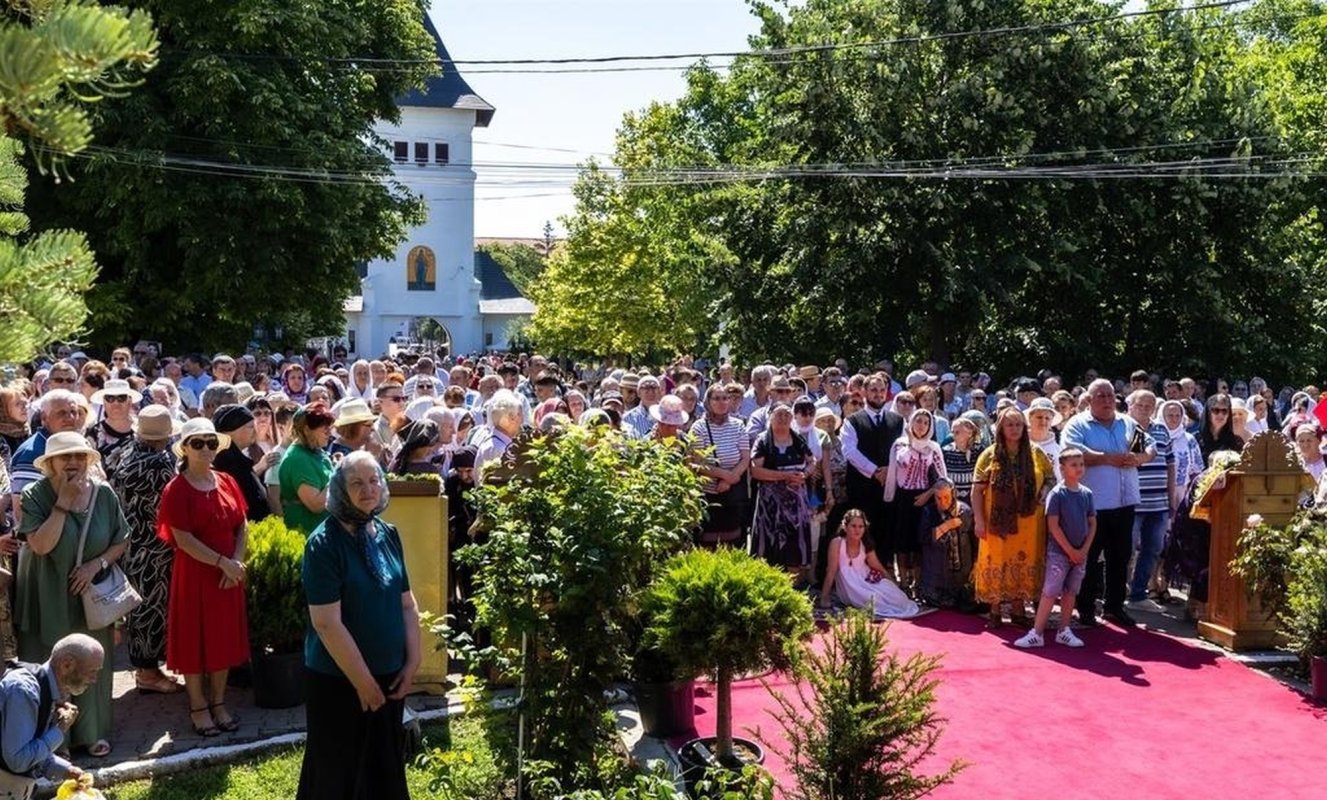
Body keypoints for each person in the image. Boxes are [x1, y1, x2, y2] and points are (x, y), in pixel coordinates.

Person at [297, 452, 420, 800]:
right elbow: (326, 624)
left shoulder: (387, 533)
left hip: (390, 676)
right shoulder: (324, 543)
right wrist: (363, 682)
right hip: (340, 680)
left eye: (374, 480)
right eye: (356, 483)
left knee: (384, 768)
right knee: (338, 771)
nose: (368, 489)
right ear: (339, 489)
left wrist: (413, 663)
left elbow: (407, 604)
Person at [16, 432, 128, 757]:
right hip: (46, 594)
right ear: (50, 463)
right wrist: (62, 503)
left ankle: (92, 732)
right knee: (49, 664)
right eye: (66, 457)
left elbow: (120, 540)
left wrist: (95, 565)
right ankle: (55, 740)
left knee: (93, 663)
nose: (74, 463)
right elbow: (40, 545)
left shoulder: (103, 494)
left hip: (90, 595)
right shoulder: (35, 494)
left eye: (80, 456)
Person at [156, 418, 250, 737]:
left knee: (223, 638)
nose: (206, 449)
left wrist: (235, 563)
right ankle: (198, 705)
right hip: (195, 575)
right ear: (184, 448)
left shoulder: (226, 480)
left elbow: (242, 524)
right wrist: (223, 562)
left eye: (211, 442)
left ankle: (219, 702)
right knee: (194, 641)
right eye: (198, 443)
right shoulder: (176, 489)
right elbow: (182, 538)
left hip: (227, 575)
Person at [1061, 379, 1147, 629]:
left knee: (1120, 557)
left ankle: (1114, 607)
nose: (1108, 401)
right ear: (1089, 399)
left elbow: (1148, 447)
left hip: (1125, 502)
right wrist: (1109, 458)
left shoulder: (1127, 422)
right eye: (1101, 396)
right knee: (1088, 559)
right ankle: (1085, 608)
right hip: (1094, 505)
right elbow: (1073, 453)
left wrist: (1140, 457)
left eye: (1111, 396)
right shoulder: (1077, 424)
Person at [109, 406, 182, 695]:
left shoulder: (123, 453)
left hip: (131, 543)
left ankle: (147, 671)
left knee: (141, 609)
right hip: (155, 548)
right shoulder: (160, 464)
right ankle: (148, 674)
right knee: (151, 609)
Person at [971, 406, 1054, 628]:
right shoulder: (989, 454)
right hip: (997, 522)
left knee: (1023, 561)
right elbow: (977, 490)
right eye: (1010, 424)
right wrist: (979, 520)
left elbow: (1051, 478)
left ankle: (1019, 610)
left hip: (1029, 521)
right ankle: (995, 610)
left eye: (1018, 424)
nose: (1015, 429)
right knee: (998, 560)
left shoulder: (1036, 453)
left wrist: (1043, 493)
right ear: (1000, 427)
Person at [0, 633, 101, 798]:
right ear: (67, 664)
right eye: (92, 671)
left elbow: (31, 750)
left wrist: (66, 770)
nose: (94, 679)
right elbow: (18, 761)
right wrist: (60, 729)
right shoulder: (24, 690)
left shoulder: (45, 687)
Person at [1015, 449, 1096, 649]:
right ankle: (1037, 632)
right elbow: (1053, 525)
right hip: (1059, 552)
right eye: (1073, 464)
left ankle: (1064, 630)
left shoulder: (1087, 494)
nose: (1078, 468)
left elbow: (1092, 523)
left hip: (1080, 553)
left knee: (1071, 591)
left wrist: (1084, 549)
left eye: (1081, 464)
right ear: (1062, 468)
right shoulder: (1057, 494)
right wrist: (1069, 550)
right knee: (1050, 591)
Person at [840, 375, 905, 576]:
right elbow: (849, 451)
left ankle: (884, 571)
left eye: (881, 390)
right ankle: (858, 573)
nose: (878, 394)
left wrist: (889, 470)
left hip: (889, 485)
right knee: (861, 531)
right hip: (862, 487)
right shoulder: (852, 421)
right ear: (865, 392)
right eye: (873, 390)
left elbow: (902, 449)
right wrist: (875, 470)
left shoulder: (898, 421)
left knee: (886, 528)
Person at [883, 409, 946, 592]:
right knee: (902, 541)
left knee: (920, 542)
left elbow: (943, 479)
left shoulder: (933, 447)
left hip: (923, 497)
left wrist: (928, 494)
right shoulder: (899, 444)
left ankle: (917, 583)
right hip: (903, 497)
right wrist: (889, 498)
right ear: (911, 422)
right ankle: (903, 581)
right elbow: (897, 467)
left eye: (926, 423)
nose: (922, 426)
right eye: (918, 421)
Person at [749, 404, 815, 578]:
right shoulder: (763, 440)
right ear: (770, 417)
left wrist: (804, 474)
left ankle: (792, 590)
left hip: (796, 505)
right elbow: (755, 471)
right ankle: (769, 588)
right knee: (769, 546)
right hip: (770, 505)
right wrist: (784, 476)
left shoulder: (798, 439)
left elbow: (812, 461)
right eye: (779, 414)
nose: (783, 418)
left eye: (787, 414)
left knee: (794, 548)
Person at [816, 509, 920, 618]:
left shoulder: (865, 543)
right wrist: (824, 596)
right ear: (845, 527)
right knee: (874, 599)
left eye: (861, 527)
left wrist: (893, 585)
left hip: (866, 580)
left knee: (897, 596)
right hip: (851, 586)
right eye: (853, 526)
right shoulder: (837, 543)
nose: (857, 530)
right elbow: (831, 571)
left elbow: (879, 567)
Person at [1125, 390, 1172, 613]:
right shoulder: (1123, 428)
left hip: (1159, 502)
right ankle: (1117, 594)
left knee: (1153, 549)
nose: (1145, 409)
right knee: (1126, 550)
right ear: (1130, 405)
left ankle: (1138, 594)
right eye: (1140, 405)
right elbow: (1132, 460)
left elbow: (1170, 465)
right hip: (1132, 503)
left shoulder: (1162, 430)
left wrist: (1171, 498)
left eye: (1150, 405)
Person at [688, 386, 749, 548]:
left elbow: (745, 458)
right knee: (708, 544)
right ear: (708, 402)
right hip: (708, 495)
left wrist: (730, 479)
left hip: (732, 494)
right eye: (716, 398)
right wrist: (723, 474)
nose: (721, 402)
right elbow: (697, 463)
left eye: (725, 398)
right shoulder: (699, 427)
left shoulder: (738, 425)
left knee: (732, 543)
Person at [917, 478, 975, 610]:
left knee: (969, 604)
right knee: (940, 602)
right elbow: (923, 538)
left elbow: (974, 540)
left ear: (953, 494)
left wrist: (976, 564)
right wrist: (946, 526)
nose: (942, 502)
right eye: (938, 498)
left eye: (946, 497)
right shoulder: (929, 512)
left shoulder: (965, 511)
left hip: (961, 573)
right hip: (937, 577)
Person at [278, 403, 336, 535]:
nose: (328, 431)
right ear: (306, 429)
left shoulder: (317, 452)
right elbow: (316, 505)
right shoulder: (298, 459)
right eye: (322, 426)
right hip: (306, 535)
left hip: (323, 534)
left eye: (329, 426)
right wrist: (339, 473)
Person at [212, 404, 272, 521]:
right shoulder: (226, 463)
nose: (255, 430)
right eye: (250, 426)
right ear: (229, 432)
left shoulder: (239, 460)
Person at [1197, 393, 1243, 464]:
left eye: (1224, 411)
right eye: (1216, 410)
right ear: (1208, 413)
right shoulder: (1194, 440)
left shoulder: (1236, 442)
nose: (1220, 414)